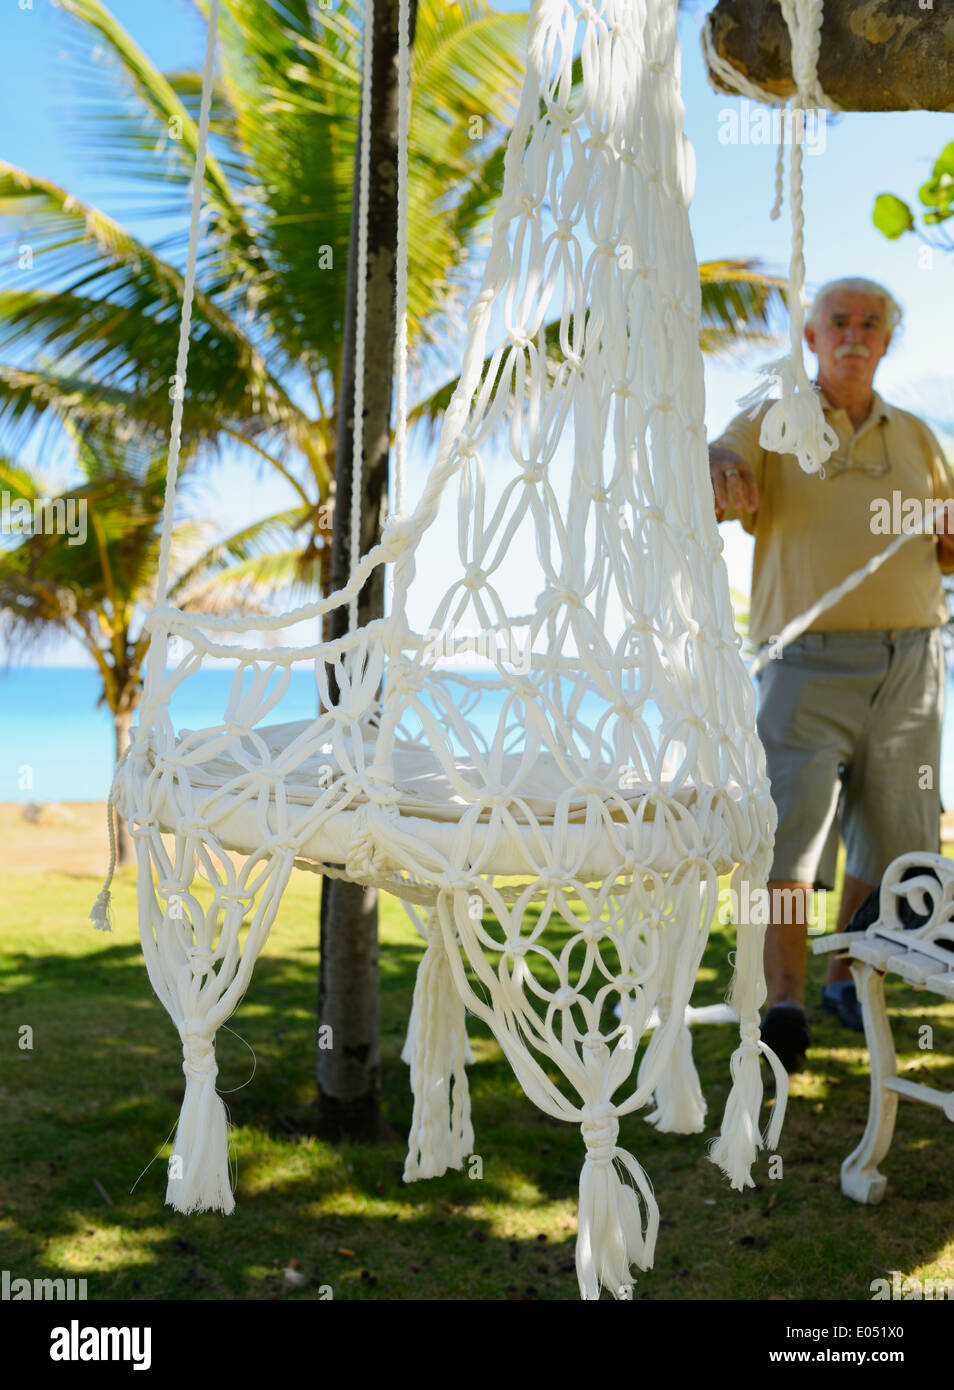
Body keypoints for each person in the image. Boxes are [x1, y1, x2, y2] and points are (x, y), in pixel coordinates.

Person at [709, 277, 954, 1071]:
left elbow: (947, 540)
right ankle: (785, 1002)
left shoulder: (917, 437)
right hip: (801, 665)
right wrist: (718, 467)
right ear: (811, 338)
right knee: (790, 836)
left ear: (887, 339)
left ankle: (845, 976)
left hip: (910, 663)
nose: (854, 333)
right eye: (838, 321)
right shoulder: (774, 420)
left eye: (870, 323)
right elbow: (720, 463)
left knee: (889, 837)